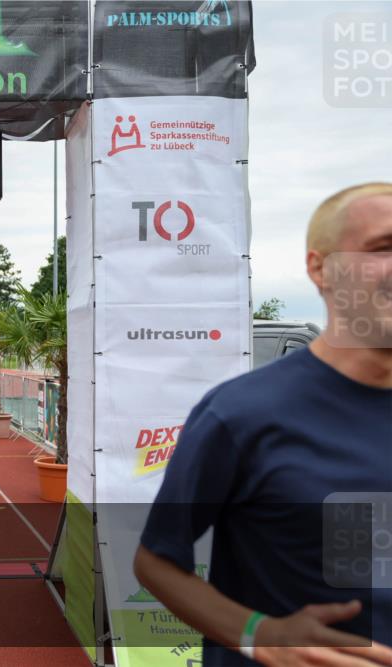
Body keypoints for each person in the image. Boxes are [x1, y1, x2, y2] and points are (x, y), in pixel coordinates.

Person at [134, 183, 392, 666]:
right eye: (383, 248)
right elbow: (156, 561)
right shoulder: (242, 415)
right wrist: (258, 633)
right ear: (321, 269)